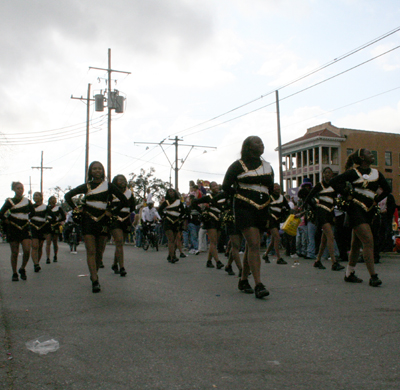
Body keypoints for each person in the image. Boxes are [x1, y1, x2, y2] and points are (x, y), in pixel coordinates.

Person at [330, 149, 391, 287]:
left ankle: (349, 273)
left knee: (356, 244)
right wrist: (347, 193)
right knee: (368, 241)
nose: (372, 155)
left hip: (369, 210)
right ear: (362, 157)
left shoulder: (376, 173)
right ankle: (373, 276)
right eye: (369, 153)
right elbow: (334, 182)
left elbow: (387, 190)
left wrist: (376, 199)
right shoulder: (353, 173)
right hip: (355, 209)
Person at [64, 161, 128, 293]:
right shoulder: (87, 186)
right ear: (90, 171)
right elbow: (68, 195)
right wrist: (76, 209)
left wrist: (112, 212)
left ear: (103, 171)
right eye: (94, 169)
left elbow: (124, 200)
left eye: (99, 169)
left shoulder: (109, 186)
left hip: (103, 221)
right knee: (91, 250)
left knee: (100, 252)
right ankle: (94, 279)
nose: (97, 171)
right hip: (88, 220)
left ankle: (95, 273)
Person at [222, 136, 273, 299]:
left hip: (262, 208)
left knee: (254, 246)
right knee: (254, 244)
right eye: (257, 142)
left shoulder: (268, 166)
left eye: (262, 142)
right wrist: (239, 196)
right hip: (244, 208)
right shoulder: (238, 165)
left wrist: (268, 210)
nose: (261, 144)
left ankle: (243, 280)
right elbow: (225, 186)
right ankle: (258, 284)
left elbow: (270, 189)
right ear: (248, 147)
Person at [304, 167, 344, 271]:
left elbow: (340, 195)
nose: (327, 174)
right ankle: (334, 262)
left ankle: (317, 261)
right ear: (323, 174)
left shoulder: (334, 185)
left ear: (332, 175)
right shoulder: (319, 185)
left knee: (324, 239)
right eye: (325, 173)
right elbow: (308, 198)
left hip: (330, 213)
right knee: (330, 236)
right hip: (321, 213)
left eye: (329, 173)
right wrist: (315, 207)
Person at [0, 182, 35, 281]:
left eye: (21, 188)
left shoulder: (27, 201)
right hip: (13, 228)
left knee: (27, 250)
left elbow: (33, 212)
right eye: (18, 188)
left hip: (24, 227)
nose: (20, 190)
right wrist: (7, 221)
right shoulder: (10, 201)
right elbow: (1, 213)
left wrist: (27, 218)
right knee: (14, 252)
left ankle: (22, 268)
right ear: (14, 190)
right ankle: (14, 272)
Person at [193, 182, 226, 269]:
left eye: (216, 185)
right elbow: (194, 202)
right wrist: (202, 211)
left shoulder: (222, 196)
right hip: (211, 219)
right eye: (214, 186)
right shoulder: (208, 197)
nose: (216, 187)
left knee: (215, 241)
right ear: (210, 188)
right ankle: (218, 262)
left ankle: (209, 261)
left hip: (220, 219)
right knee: (213, 241)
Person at [110, 175, 136, 277]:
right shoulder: (111, 193)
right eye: (120, 180)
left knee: (120, 244)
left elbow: (133, 206)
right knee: (119, 241)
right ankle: (122, 267)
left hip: (126, 219)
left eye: (124, 180)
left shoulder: (129, 193)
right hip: (115, 218)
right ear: (115, 182)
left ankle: (114, 264)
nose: (123, 181)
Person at [262, 183, 289, 265]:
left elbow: (288, 208)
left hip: (277, 219)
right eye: (275, 187)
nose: (277, 189)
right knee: (277, 237)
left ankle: (265, 254)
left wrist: (287, 213)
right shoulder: (269, 196)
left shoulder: (282, 197)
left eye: (278, 187)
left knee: (274, 240)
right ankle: (278, 258)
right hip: (270, 219)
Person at [158, 188, 185, 263]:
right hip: (168, 222)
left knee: (175, 240)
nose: (171, 193)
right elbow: (159, 210)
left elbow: (183, 211)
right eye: (169, 191)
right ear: (167, 193)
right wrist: (164, 216)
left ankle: (170, 255)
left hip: (176, 222)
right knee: (171, 239)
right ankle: (173, 256)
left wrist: (180, 217)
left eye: (172, 191)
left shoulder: (179, 202)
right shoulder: (166, 202)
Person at [30, 192, 52, 272]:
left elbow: (52, 216)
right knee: (34, 246)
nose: (35, 197)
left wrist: (49, 219)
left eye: (37, 195)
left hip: (42, 227)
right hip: (33, 226)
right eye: (34, 196)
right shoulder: (31, 207)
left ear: (41, 197)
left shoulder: (45, 207)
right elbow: (27, 216)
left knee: (40, 245)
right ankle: (35, 264)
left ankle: (37, 262)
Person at [45, 196, 65, 264]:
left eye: (54, 199)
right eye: (52, 199)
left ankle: (55, 255)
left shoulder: (58, 208)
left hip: (55, 225)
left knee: (55, 242)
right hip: (48, 226)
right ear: (49, 200)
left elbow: (63, 217)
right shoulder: (47, 208)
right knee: (48, 242)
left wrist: (58, 220)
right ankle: (48, 257)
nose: (53, 200)